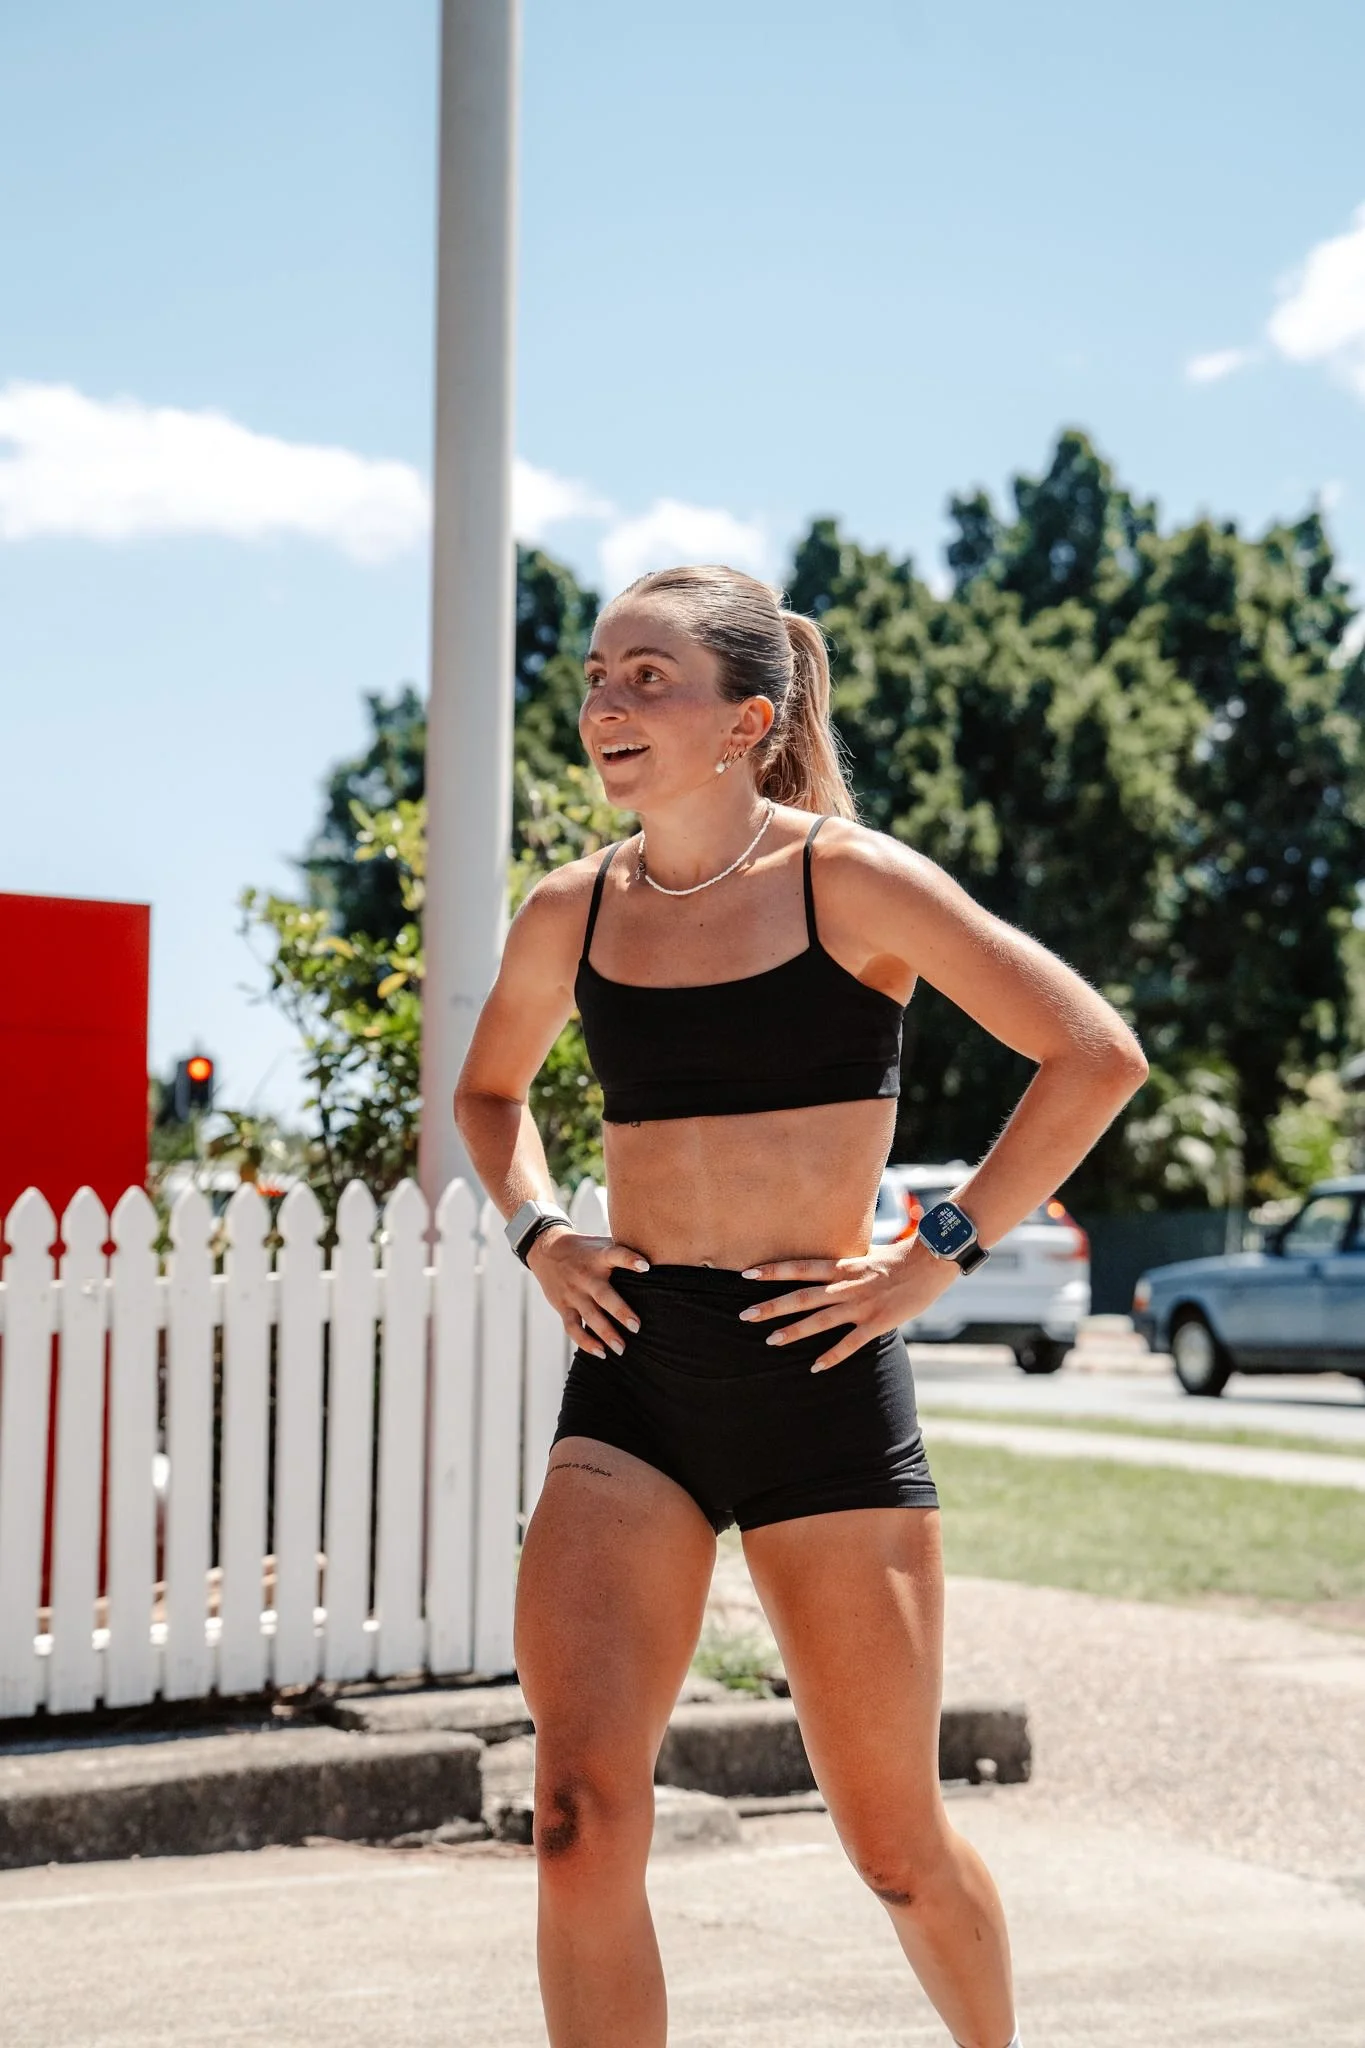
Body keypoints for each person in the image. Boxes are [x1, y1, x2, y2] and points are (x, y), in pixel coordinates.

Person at [455, 564, 1148, 2048]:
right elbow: (489, 1092)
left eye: (649, 677)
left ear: (747, 719)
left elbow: (1093, 1054)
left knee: (893, 1849)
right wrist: (539, 1231)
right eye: (596, 676)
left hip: (821, 1387)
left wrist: (933, 1257)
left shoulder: (854, 880)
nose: (604, 704)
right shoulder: (568, 912)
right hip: (636, 1380)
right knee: (576, 1815)